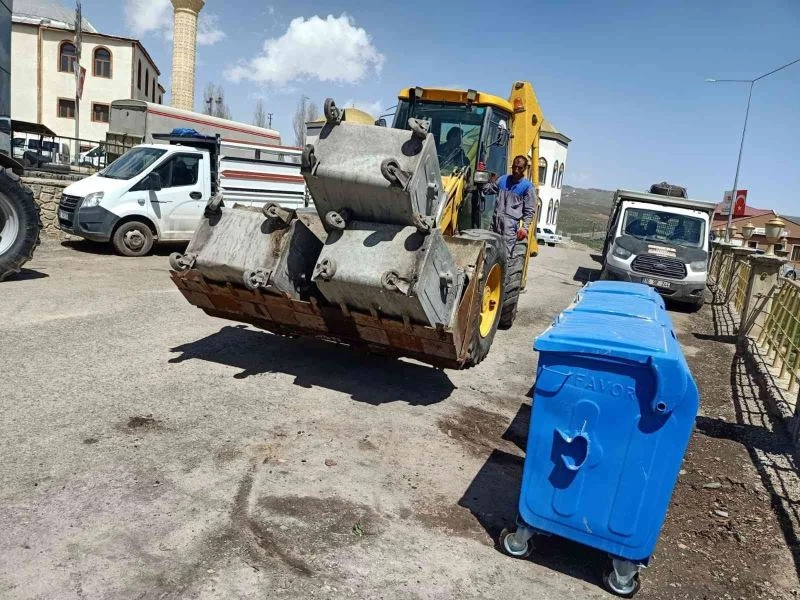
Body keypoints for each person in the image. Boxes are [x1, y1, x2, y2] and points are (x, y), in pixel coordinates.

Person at [487, 155, 537, 254]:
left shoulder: (527, 187)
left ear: (525, 169)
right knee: (490, 251)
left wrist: (525, 228)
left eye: (520, 168)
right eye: (514, 167)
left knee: (505, 254)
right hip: (495, 222)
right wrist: (485, 179)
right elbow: (488, 190)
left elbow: (529, 210)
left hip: (510, 227)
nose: (516, 170)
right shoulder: (503, 180)